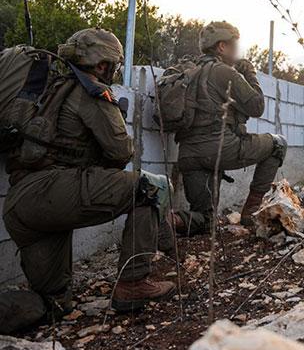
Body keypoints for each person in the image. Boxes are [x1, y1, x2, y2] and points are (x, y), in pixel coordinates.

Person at [2, 28, 175, 318]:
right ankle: (132, 283)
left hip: (21, 206)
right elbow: (121, 153)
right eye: (114, 66)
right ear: (103, 65)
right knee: (152, 188)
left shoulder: (50, 89)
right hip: (52, 192)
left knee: (53, 305)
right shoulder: (92, 91)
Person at [173, 21, 287, 231]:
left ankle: (167, 222)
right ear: (222, 47)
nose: (237, 49)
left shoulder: (190, 72)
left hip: (188, 156)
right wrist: (250, 73)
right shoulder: (224, 72)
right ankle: (250, 212)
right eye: (234, 44)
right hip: (220, 149)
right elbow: (257, 106)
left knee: (205, 220)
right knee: (278, 144)